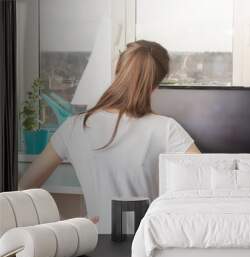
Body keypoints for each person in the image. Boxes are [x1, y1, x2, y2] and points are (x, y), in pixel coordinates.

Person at [19, 40, 200, 233]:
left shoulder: (74, 126)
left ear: (117, 72)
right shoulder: (166, 129)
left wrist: (66, 226)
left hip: (94, 247)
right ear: (154, 86)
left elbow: (23, 188)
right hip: (148, 247)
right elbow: (207, 182)